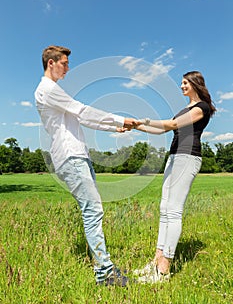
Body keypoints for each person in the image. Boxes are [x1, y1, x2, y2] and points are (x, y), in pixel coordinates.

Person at [34, 45, 137, 286]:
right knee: (93, 210)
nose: (67, 68)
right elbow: (82, 110)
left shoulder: (54, 91)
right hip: (70, 157)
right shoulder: (47, 89)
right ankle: (105, 273)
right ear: (51, 63)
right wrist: (120, 119)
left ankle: (104, 268)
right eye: (64, 63)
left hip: (78, 156)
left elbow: (81, 117)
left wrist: (115, 127)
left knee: (92, 210)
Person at [133, 71, 216, 284]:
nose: (181, 86)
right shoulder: (184, 109)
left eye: (185, 82)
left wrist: (144, 120)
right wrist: (135, 126)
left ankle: (164, 269)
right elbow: (161, 131)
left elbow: (170, 126)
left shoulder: (201, 108)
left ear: (196, 84)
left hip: (187, 158)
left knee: (174, 210)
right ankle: (156, 260)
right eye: (181, 83)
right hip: (174, 157)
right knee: (164, 208)